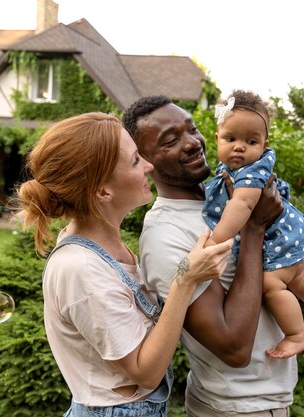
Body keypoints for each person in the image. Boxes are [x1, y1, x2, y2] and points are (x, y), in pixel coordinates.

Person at [123, 96, 304, 416]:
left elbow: (257, 291)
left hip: (271, 403)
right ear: (145, 160)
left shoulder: (228, 195)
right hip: (233, 409)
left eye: (191, 129)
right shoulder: (166, 236)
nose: (192, 142)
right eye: (171, 140)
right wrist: (254, 228)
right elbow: (232, 347)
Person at [13, 112, 234, 416]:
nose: (149, 166)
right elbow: (146, 372)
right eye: (134, 161)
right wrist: (185, 278)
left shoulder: (105, 248)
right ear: (103, 191)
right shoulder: (81, 268)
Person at [203, 89, 304, 358]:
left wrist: (215, 240)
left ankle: (297, 334)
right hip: (286, 237)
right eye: (230, 139)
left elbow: (242, 206)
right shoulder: (233, 169)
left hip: (279, 241)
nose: (239, 147)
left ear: (264, 145)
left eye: (251, 141)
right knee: (299, 277)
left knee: (271, 285)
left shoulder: (253, 172)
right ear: (217, 139)